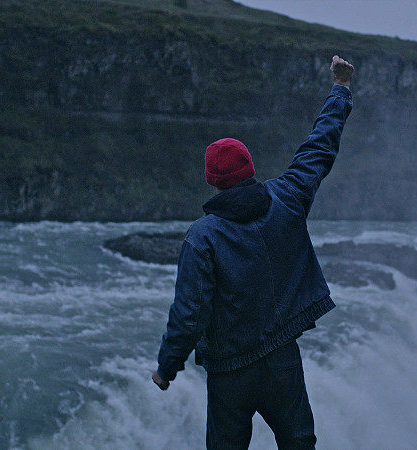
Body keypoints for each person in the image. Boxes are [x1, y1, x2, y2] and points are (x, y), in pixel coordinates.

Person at [152, 55, 354, 449]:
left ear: (212, 180)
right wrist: (340, 90)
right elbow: (319, 147)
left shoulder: (202, 237)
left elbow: (190, 313)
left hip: (230, 373)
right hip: (282, 357)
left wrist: (166, 367)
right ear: (249, 167)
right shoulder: (288, 196)